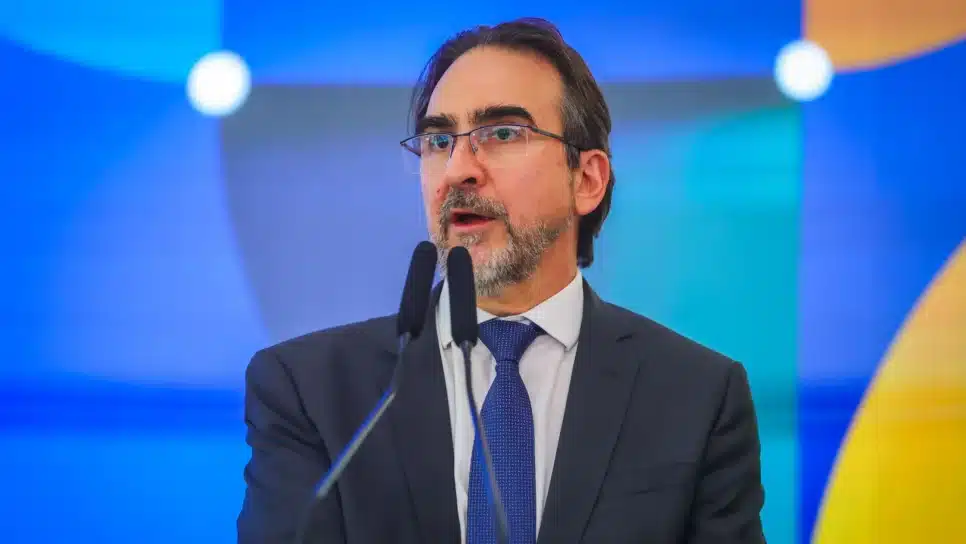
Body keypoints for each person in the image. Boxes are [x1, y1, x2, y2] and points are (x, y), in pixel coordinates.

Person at [237, 17, 766, 544]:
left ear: (586, 180)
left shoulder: (695, 396)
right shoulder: (311, 392)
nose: (457, 170)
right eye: (438, 140)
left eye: (503, 133)